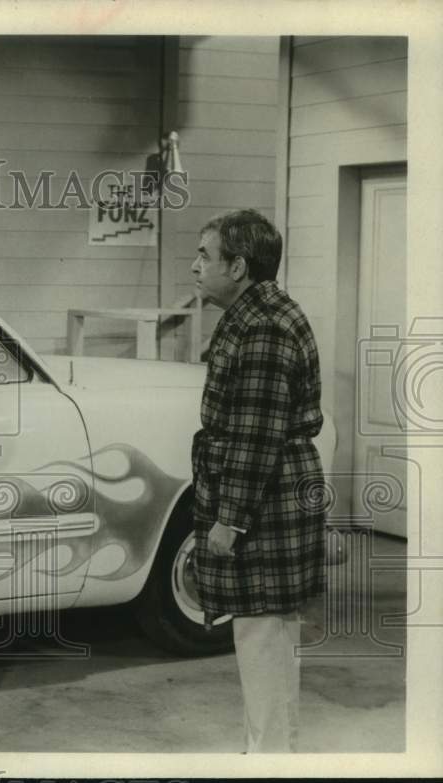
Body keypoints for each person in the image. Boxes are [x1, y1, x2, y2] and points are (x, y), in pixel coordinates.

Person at [190, 209, 326, 753]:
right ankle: (265, 752)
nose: (195, 266)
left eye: (205, 254)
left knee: (263, 636)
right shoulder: (253, 312)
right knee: (263, 635)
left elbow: (255, 436)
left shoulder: (263, 325)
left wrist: (229, 520)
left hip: (264, 504)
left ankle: (270, 759)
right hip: (270, 496)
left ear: (239, 265)